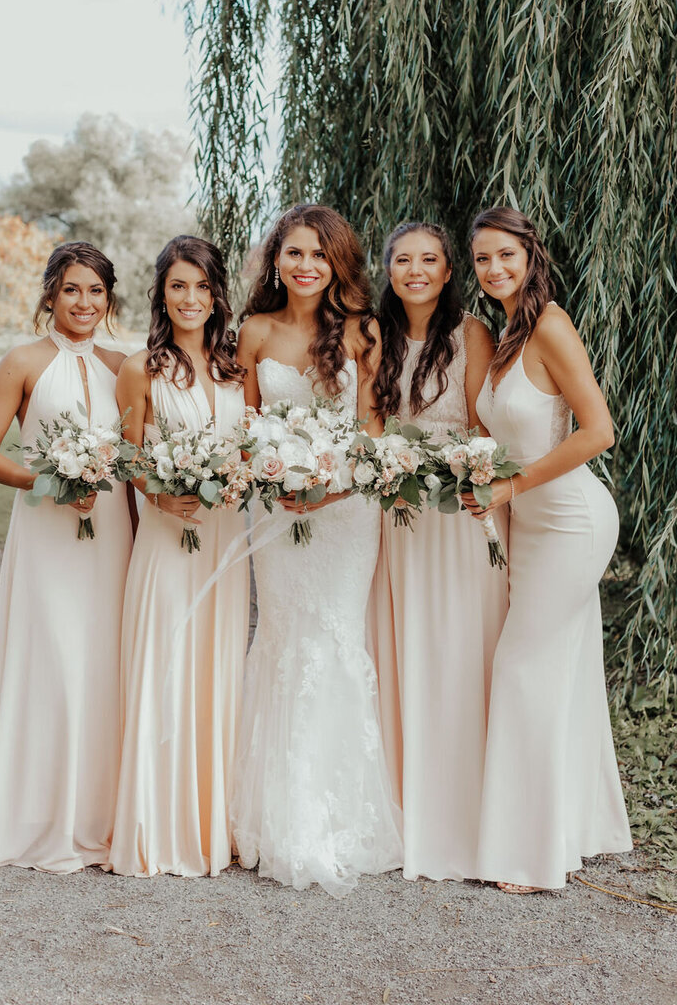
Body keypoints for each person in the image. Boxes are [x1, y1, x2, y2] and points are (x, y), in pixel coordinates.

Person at [230, 203, 402, 897]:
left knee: (334, 640)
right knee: (281, 637)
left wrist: (329, 487)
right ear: (276, 260)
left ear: (338, 264)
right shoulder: (254, 332)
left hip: (345, 512)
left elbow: (373, 429)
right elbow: (245, 427)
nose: (305, 266)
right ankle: (275, 817)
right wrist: (277, 474)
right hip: (274, 510)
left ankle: (338, 817)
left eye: (318, 255)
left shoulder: (363, 332)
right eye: (293, 253)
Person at [0, 242, 133, 873]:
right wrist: (51, 480)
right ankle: (39, 814)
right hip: (48, 532)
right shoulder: (22, 361)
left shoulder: (122, 365)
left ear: (109, 300)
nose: (84, 302)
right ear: (50, 293)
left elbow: (134, 458)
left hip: (113, 534)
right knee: (54, 656)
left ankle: (99, 815)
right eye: (72, 289)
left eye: (96, 291)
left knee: (104, 661)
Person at [462, 206, 631, 893]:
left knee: (520, 666)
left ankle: (529, 854)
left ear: (531, 255)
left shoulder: (552, 324)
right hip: (530, 525)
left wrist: (513, 487)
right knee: (562, 668)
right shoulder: (508, 333)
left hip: (570, 519)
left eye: (506, 255)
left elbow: (599, 432)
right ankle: (569, 829)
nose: (495, 269)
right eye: (481, 260)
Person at [368, 222, 507, 881]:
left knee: (460, 651)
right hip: (396, 517)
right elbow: (368, 425)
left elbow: (482, 427)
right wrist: (388, 466)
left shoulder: (472, 334)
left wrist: (462, 475)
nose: (416, 270)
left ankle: (471, 819)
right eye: (403, 259)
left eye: (429, 259)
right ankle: (404, 811)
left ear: (449, 271)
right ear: (388, 268)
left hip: (457, 516)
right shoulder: (373, 335)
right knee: (404, 651)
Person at [107, 236, 250, 878]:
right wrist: (160, 496)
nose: (190, 299)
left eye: (201, 286)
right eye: (177, 287)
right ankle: (156, 826)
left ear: (217, 293)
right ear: (161, 294)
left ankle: (212, 822)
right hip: (168, 538)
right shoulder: (141, 369)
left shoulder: (236, 367)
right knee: (165, 659)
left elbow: (252, 445)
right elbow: (128, 453)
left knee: (218, 665)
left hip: (225, 537)